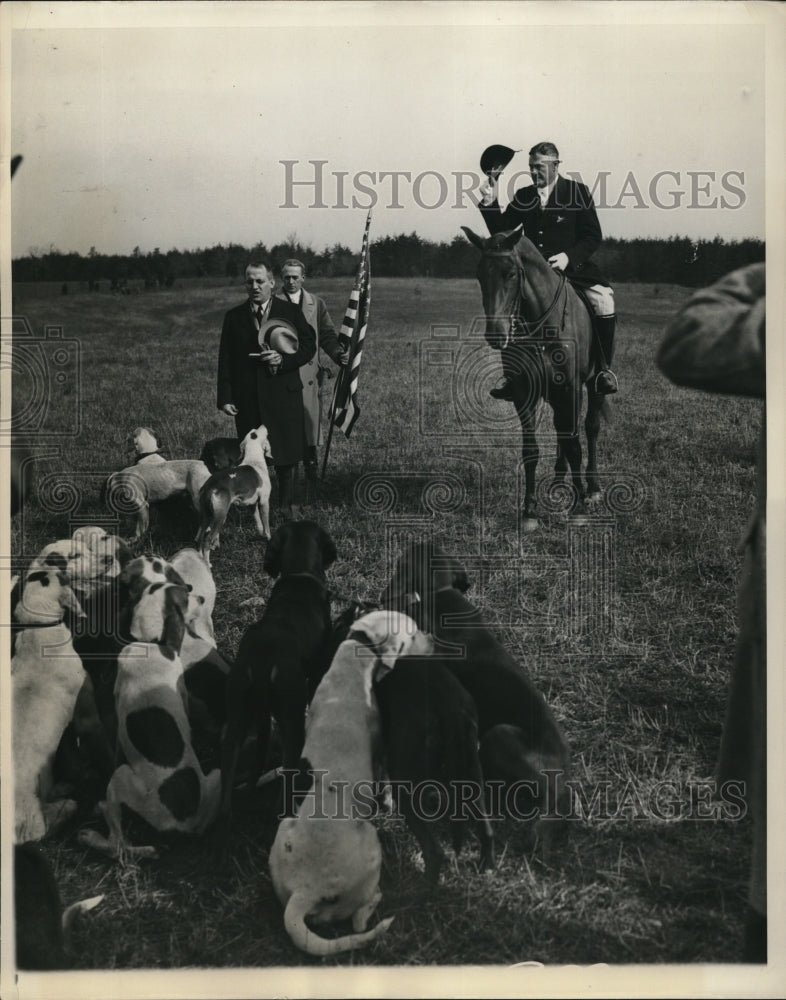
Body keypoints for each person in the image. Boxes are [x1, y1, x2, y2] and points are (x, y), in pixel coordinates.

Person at [657, 262, 766, 962]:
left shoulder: (572, 205)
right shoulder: (521, 199)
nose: (542, 169)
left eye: (548, 161)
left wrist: (577, 262)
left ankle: (598, 373)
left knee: (597, 308)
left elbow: (688, 340)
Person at [479, 141, 617, 396]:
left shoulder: (578, 192)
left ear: (555, 165)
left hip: (574, 270)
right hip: (535, 276)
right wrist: (490, 202)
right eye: (531, 167)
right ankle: (513, 377)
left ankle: (602, 371)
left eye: (539, 167)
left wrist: (568, 257)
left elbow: (592, 236)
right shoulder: (524, 196)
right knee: (511, 309)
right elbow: (502, 234)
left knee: (605, 300)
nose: (533, 172)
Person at [216, 261, 316, 517]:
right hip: (248, 398)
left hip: (284, 394)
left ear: (272, 283)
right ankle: (257, 509)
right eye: (250, 281)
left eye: (260, 281)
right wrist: (225, 396)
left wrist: (284, 360)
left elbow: (308, 346)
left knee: (286, 454)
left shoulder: (289, 311)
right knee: (252, 455)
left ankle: (287, 509)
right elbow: (225, 358)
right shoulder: (234, 317)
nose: (255, 286)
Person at [275, 259, 348, 481]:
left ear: (303, 278)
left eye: (295, 277)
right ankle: (286, 472)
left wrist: (337, 354)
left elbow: (326, 335)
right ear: (281, 278)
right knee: (285, 422)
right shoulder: (272, 303)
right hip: (281, 372)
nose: (290, 281)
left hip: (308, 374)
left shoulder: (316, 304)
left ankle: (311, 468)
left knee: (309, 421)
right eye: (286, 277)